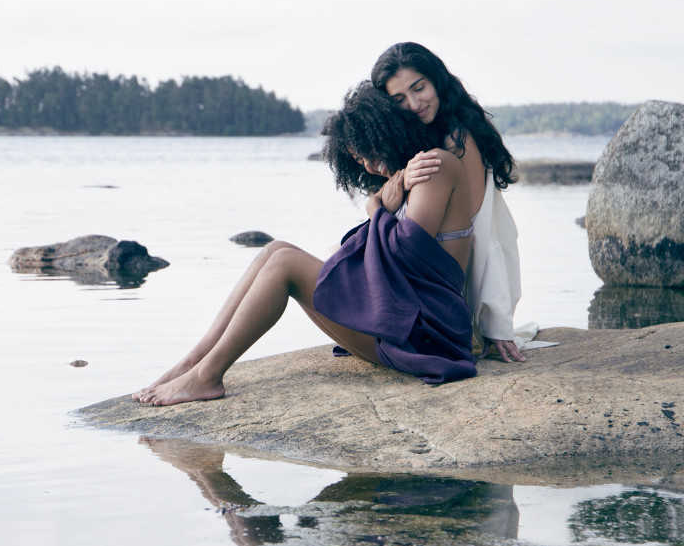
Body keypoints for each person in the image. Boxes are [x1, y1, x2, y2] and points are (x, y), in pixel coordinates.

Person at [134, 82, 483, 407]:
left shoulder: (433, 166)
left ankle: (208, 376)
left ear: (385, 133)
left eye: (364, 151)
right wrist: (382, 206)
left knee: (285, 264)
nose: (363, 162)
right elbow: (386, 256)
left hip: (426, 338)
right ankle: (195, 362)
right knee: (275, 249)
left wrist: (376, 209)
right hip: (407, 324)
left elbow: (405, 257)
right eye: (356, 158)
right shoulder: (405, 176)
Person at [371, 42, 525, 363]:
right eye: (399, 99)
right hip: (435, 281)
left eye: (419, 88)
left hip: (456, 291)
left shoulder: (457, 138)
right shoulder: (420, 140)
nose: (413, 104)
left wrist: (494, 322)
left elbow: (479, 234)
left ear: (436, 81)